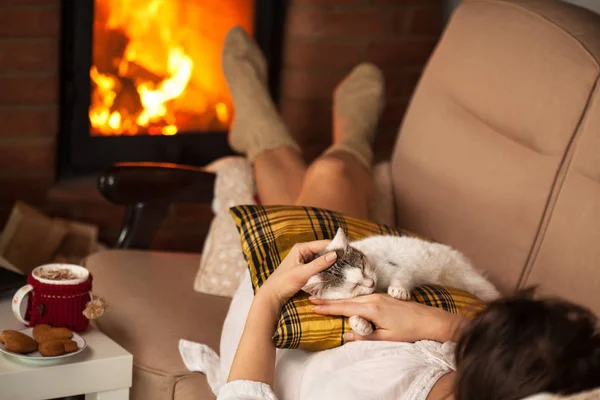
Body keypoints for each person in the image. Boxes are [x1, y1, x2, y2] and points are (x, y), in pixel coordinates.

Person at [216, 27, 600, 399]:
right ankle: (318, 138)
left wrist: (268, 297)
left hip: (273, 336)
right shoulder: (498, 378)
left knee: (327, 178)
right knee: (329, 180)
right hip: (349, 304)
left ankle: (284, 136)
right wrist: (444, 325)